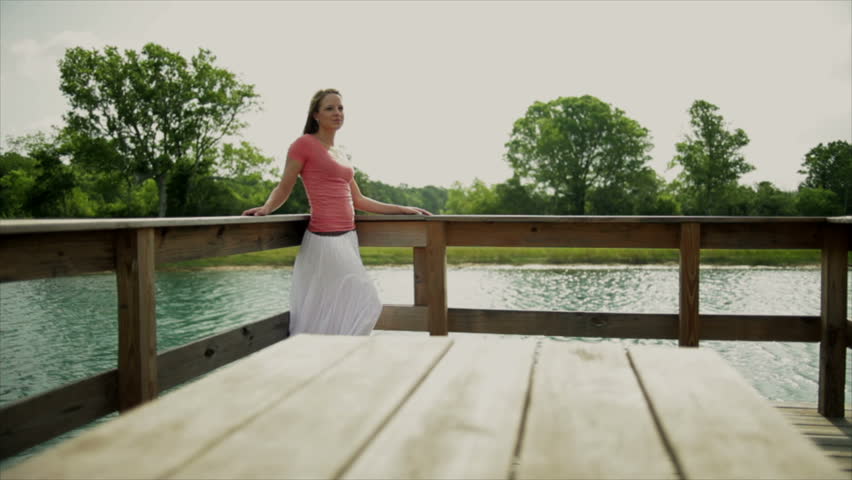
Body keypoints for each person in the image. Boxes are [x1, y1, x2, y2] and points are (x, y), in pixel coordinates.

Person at [242, 88, 431, 336]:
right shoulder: (303, 145)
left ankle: (329, 359)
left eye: (340, 108)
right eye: (330, 108)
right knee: (367, 302)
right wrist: (266, 208)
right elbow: (284, 186)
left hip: (348, 238)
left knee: (336, 306)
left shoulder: (340, 154)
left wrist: (403, 209)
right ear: (316, 115)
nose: (337, 113)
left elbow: (359, 199)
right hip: (325, 240)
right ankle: (342, 356)